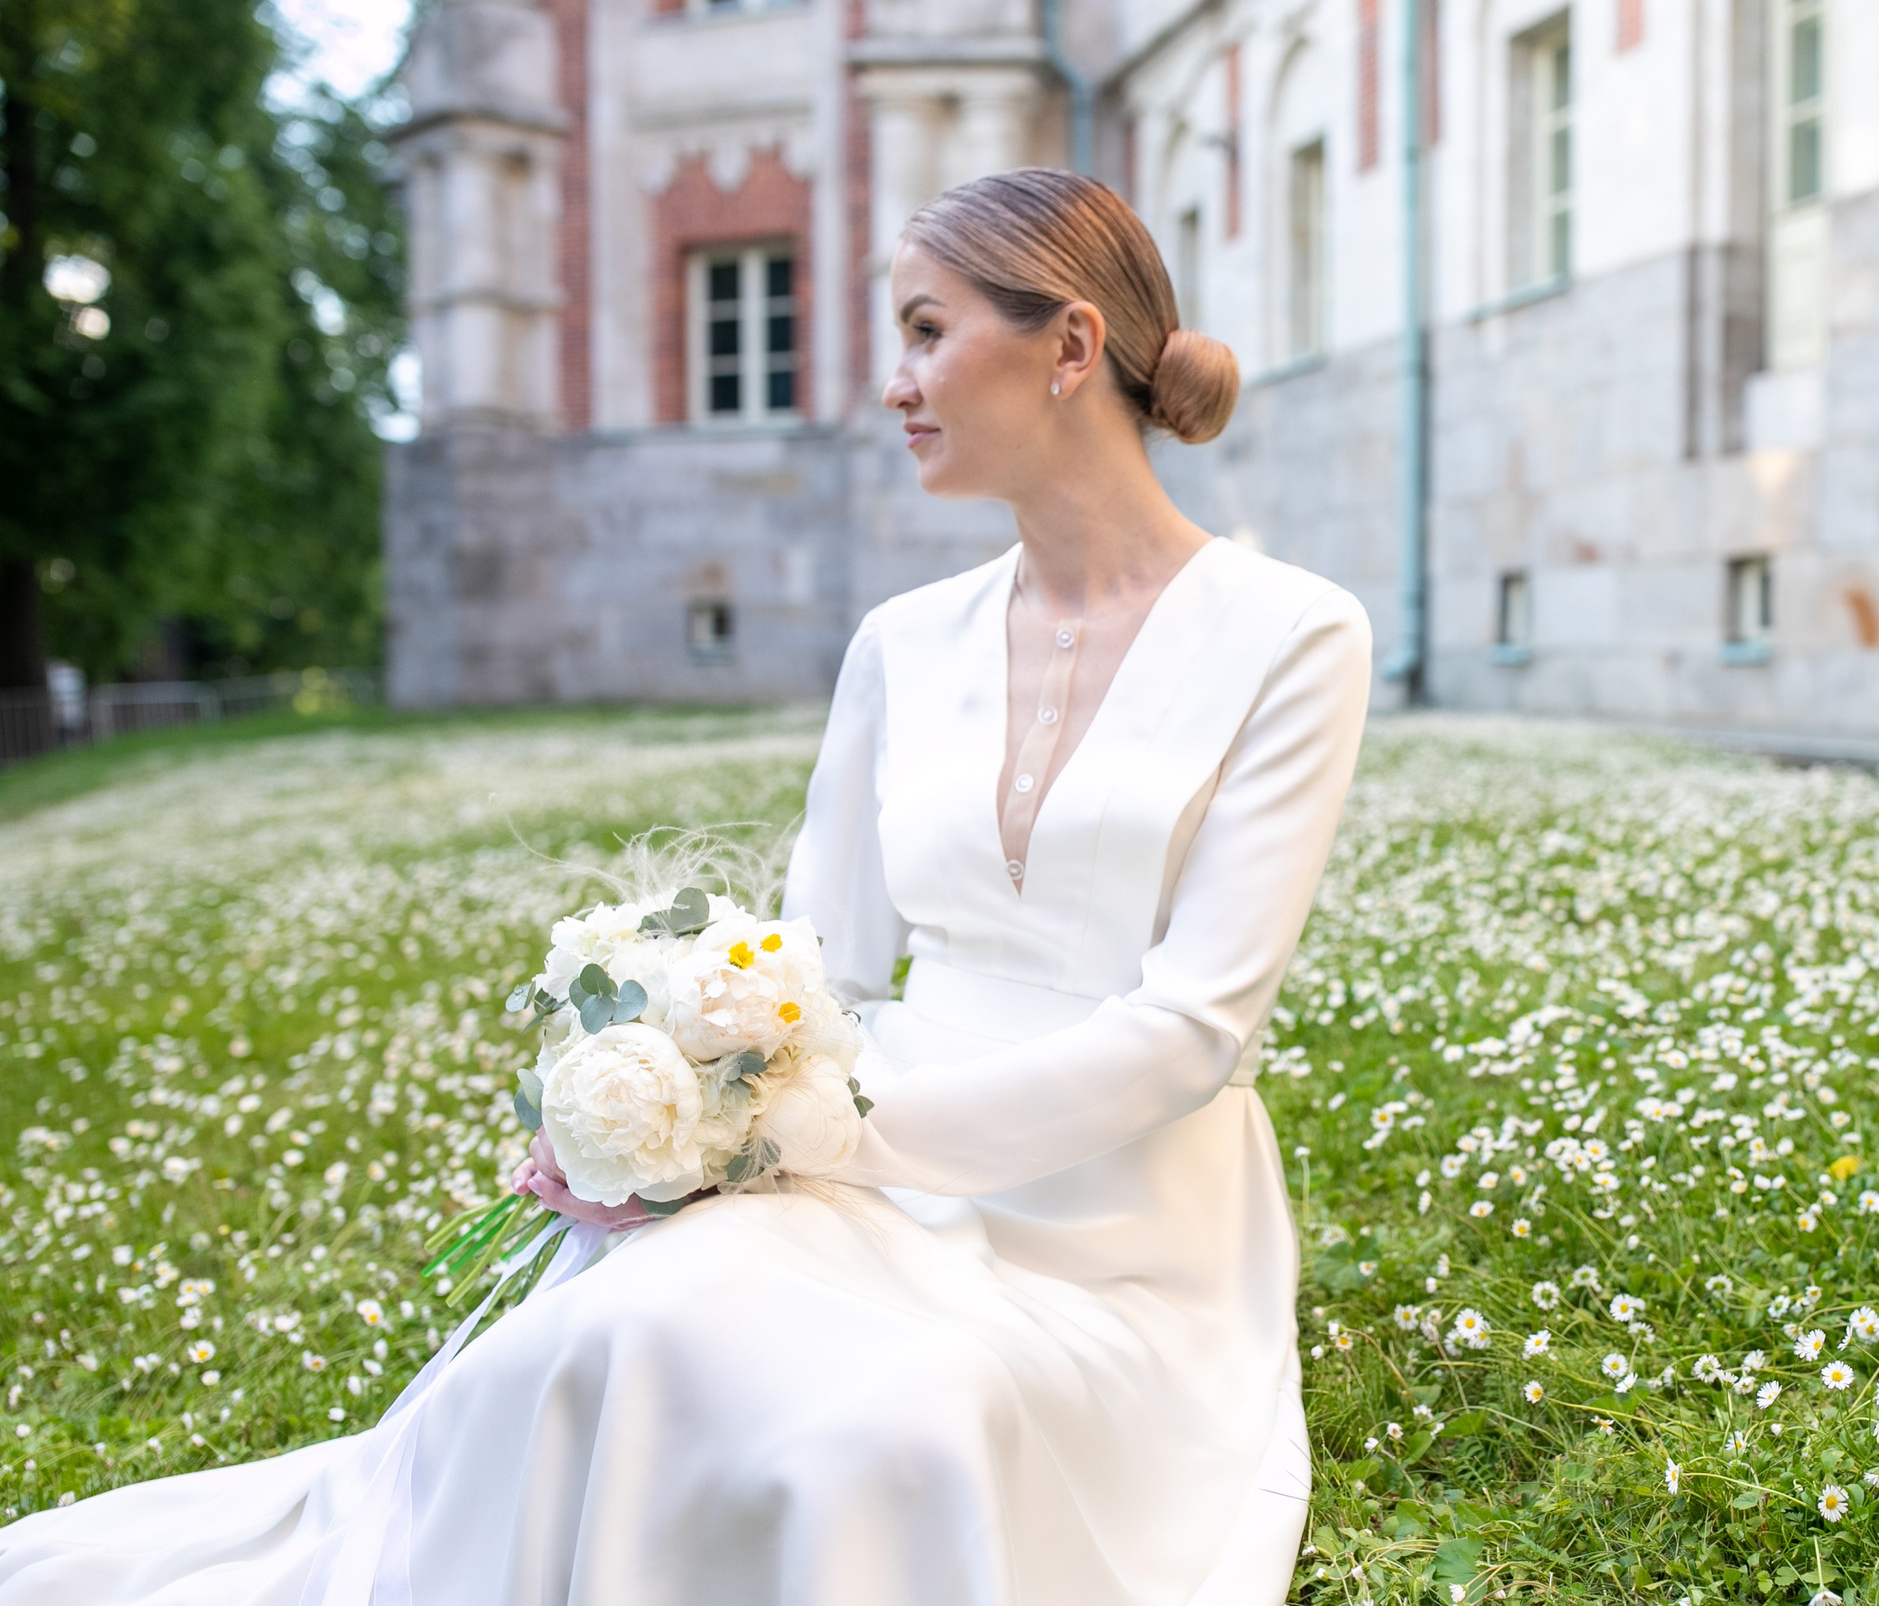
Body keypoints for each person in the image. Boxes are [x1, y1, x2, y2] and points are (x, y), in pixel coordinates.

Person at [0, 168, 1372, 1605]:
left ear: (1071, 347)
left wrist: (831, 1136)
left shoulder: (1292, 636)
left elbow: (1194, 1032)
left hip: (1124, 1218)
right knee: (617, 1336)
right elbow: (820, 962)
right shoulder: (903, 643)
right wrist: (712, 1089)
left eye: (924, 331)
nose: (893, 385)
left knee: (893, 1428)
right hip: (857, 1159)